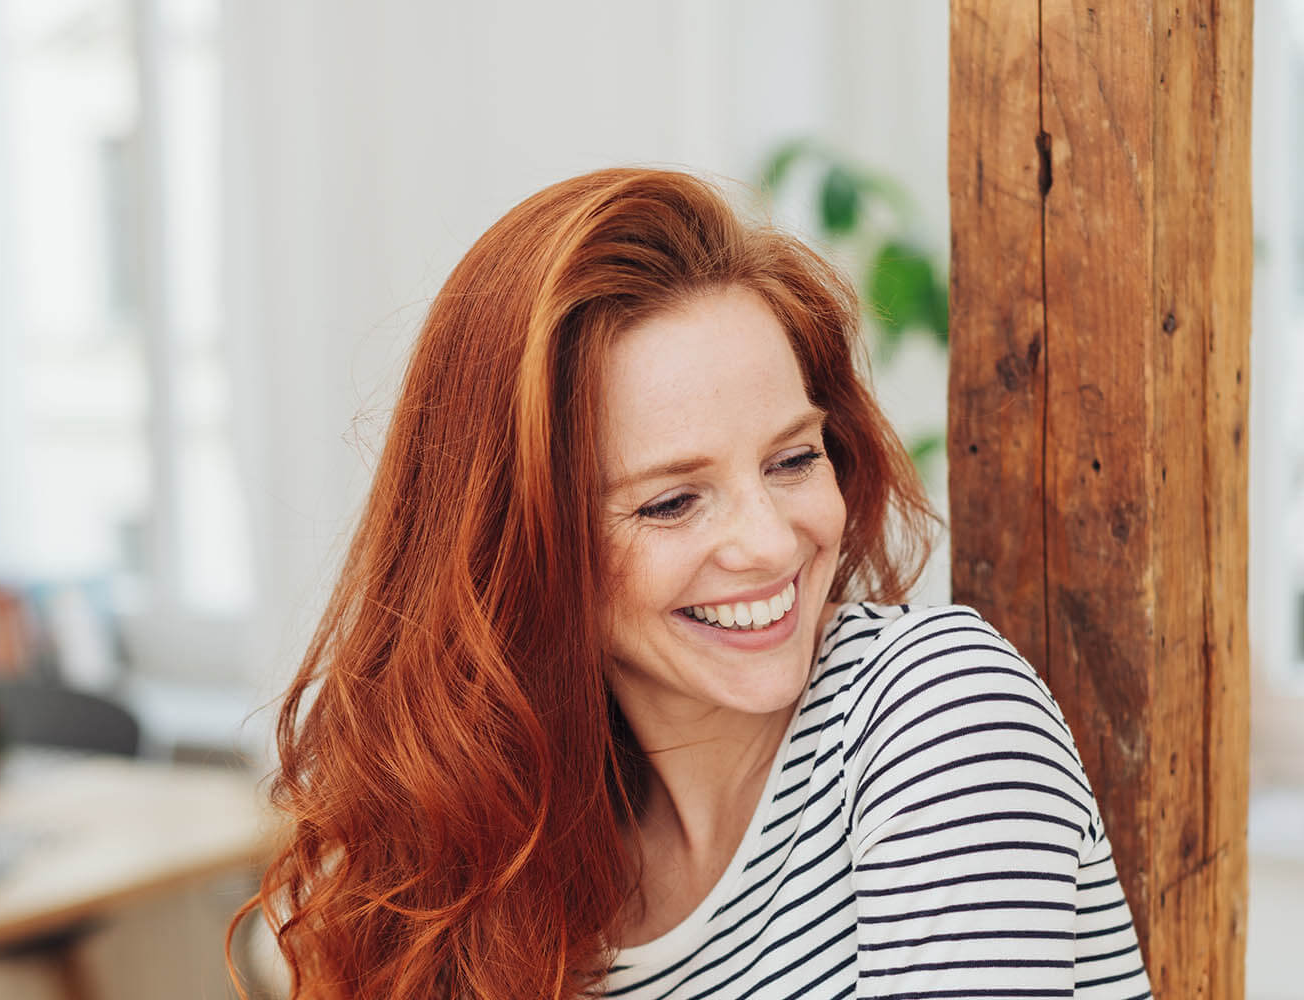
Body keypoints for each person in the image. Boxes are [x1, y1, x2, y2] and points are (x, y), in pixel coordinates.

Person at [229, 168, 1151, 999]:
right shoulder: (515, 861)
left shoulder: (939, 715)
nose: (768, 542)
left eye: (793, 459)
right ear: (518, 549)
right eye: (672, 503)